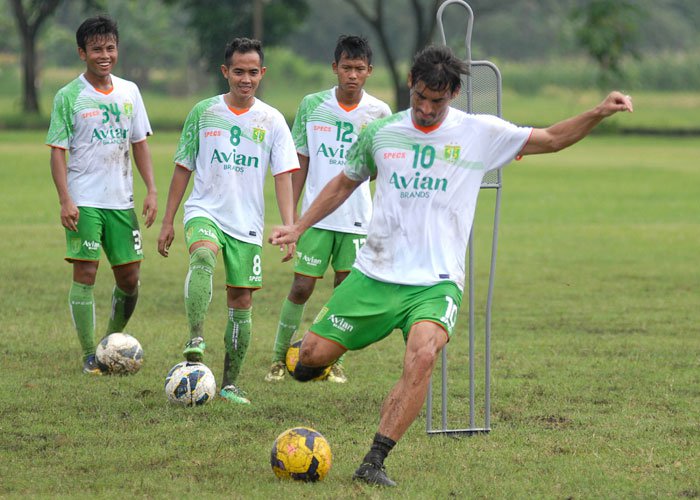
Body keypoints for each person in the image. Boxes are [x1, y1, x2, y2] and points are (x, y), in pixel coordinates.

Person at [269, 45, 633, 486]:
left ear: (455, 93)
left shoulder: (480, 132)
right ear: (410, 85)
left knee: (422, 355)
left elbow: (552, 138)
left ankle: (374, 461)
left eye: (436, 101)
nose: (425, 109)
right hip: (375, 274)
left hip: (436, 284)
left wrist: (597, 111)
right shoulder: (381, 133)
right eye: (420, 97)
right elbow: (344, 184)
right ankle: (347, 341)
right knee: (308, 361)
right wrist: (299, 226)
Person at [157, 37, 298, 405]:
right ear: (225, 72)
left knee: (241, 300)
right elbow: (183, 166)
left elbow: (283, 175)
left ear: (262, 73)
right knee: (202, 255)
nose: (245, 79)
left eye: (253, 72)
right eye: (238, 71)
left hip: (246, 223)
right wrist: (168, 220)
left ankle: (230, 383)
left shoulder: (273, 120)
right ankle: (195, 336)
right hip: (204, 210)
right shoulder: (203, 112)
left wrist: (290, 227)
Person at [264, 35, 392, 384]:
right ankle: (278, 359)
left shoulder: (380, 112)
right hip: (316, 219)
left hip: (357, 221)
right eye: (346, 67)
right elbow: (299, 162)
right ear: (334, 68)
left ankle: (333, 362)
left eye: (359, 69)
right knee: (302, 287)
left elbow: (383, 169)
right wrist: (292, 222)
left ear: (369, 72)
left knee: (344, 293)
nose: (352, 75)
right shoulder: (312, 105)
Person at [47, 16, 158, 375]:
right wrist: (66, 199)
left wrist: (152, 189)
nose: (104, 55)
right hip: (85, 200)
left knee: (130, 280)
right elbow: (57, 151)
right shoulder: (69, 96)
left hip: (121, 201)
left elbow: (139, 143)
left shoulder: (130, 91)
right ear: (82, 53)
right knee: (86, 272)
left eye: (110, 47)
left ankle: (110, 343)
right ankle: (88, 356)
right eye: (96, 49)